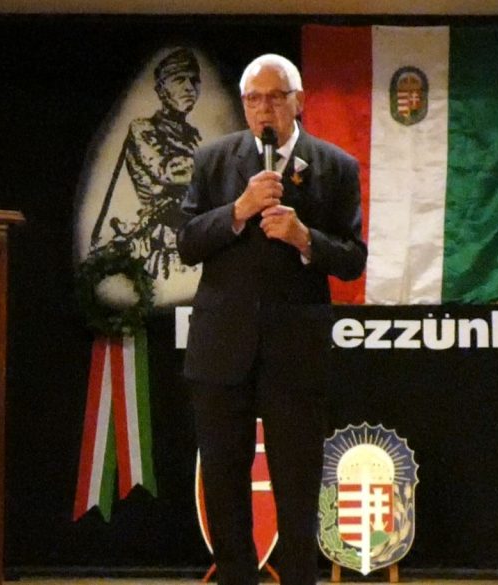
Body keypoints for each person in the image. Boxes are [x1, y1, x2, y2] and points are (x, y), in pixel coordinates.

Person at [177, 54, 367, 585]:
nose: (265, 109)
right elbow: (187, 243)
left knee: (298, 493)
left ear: (298, 102)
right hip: (222, 351)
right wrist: (238, 210)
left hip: (295, 354)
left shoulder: (335, 166)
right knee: (225, 490)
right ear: (244, 106)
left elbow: (353, 259)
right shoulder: (213, 161)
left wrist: (305, 239)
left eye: (276, 97)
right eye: (255, 99)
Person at [93, 47, 203, 278]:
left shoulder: (193, 136)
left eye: (194, 80)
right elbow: (170, 172)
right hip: (158, 242)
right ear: (161, 89)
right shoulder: (144, 129)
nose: (189, 88)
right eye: (179, 79)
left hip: (191, 237)